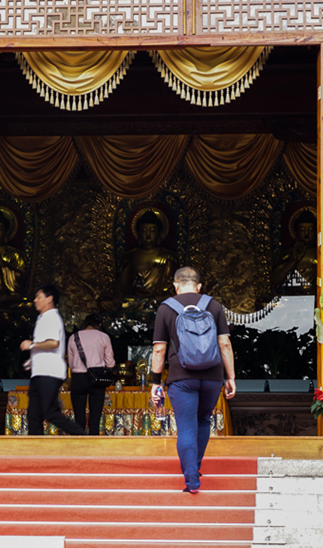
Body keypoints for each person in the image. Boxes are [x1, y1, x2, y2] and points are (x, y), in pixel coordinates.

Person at [151, 266, 236, 494]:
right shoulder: (213, 305)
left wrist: (155, 381)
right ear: (199, 286)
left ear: (175, 285)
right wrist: (231, 377)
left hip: (182, 378)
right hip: (212, 376)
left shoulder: (166, 308)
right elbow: (225, 344)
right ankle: (195, 469)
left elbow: (159, 349)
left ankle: (191, 480)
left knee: (186, 427)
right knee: (203, 422)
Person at [19, 284, 84, 436]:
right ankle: (37, 451)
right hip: (40, 372)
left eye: (38, 297)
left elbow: (54, 342)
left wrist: (32, 345)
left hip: (49, 373)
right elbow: (48, 346)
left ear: (49, 299)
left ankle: (82, 436)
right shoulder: (43, 318)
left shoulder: (52, 317)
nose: (35, 300)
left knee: (51, 413)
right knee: (34, 416)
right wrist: (33, 359)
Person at [117, 209, 179, 307]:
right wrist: (120, 293)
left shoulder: (169, 257)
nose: (148, 235)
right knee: (105, 303)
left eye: (152, 231)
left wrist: (155, 298)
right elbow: (122, 284)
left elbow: (173, 290)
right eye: (144, 231)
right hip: (133, 299)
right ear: (138, 234)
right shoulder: (129, 256)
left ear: (159, 234)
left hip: (157, 300)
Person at [67, 313, 116, 435]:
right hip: (97, 379)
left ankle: (79, 448)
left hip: (78, 378)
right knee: (95, 420)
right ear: (99, 324)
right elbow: (110, 364)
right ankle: (94, 449)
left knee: (79, 419)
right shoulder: (104, 337)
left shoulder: (74, 337)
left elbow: (71, 364)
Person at [273, 209, 317, 293]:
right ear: (296, 232)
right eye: (302, 230)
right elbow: (275, 280)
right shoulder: (288, 254)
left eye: (311, 230)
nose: (306, 234)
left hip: (316, 298)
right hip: (293, 299)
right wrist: (293, 261)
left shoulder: (321, 254)